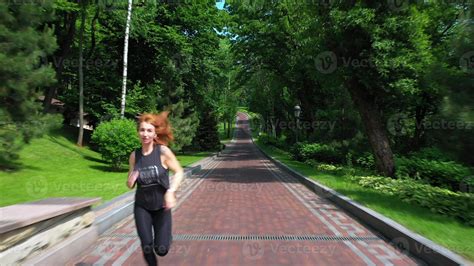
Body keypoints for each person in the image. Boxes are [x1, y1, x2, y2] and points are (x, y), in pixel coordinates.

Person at [126, 111, 184, 266]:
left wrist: (171, 192)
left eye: (149, 130)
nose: (145, 134)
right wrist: (131, 180)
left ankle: (166, 238)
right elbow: (129, 182)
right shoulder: (134, 155)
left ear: (154, 133)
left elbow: (179, 171)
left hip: (161, 207)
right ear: (138, 132)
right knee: (146, 246)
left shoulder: (162, 152)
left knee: (162, 249)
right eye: (142, 130)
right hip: (142, 206)